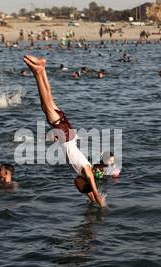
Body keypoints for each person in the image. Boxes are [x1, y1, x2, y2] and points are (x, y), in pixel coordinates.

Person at [23, 55, 105, 207]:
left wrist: (93, 200)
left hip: (66, 132)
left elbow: (90, 192)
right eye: (78, 186)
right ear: (84, 183)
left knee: (47, 101)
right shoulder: (86, 170)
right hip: (65, 132)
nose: (75, 185)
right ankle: (39, 71)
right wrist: (100, 201)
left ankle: (41, 70)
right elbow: (92, 186)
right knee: (46, 101)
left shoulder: (80, 173)